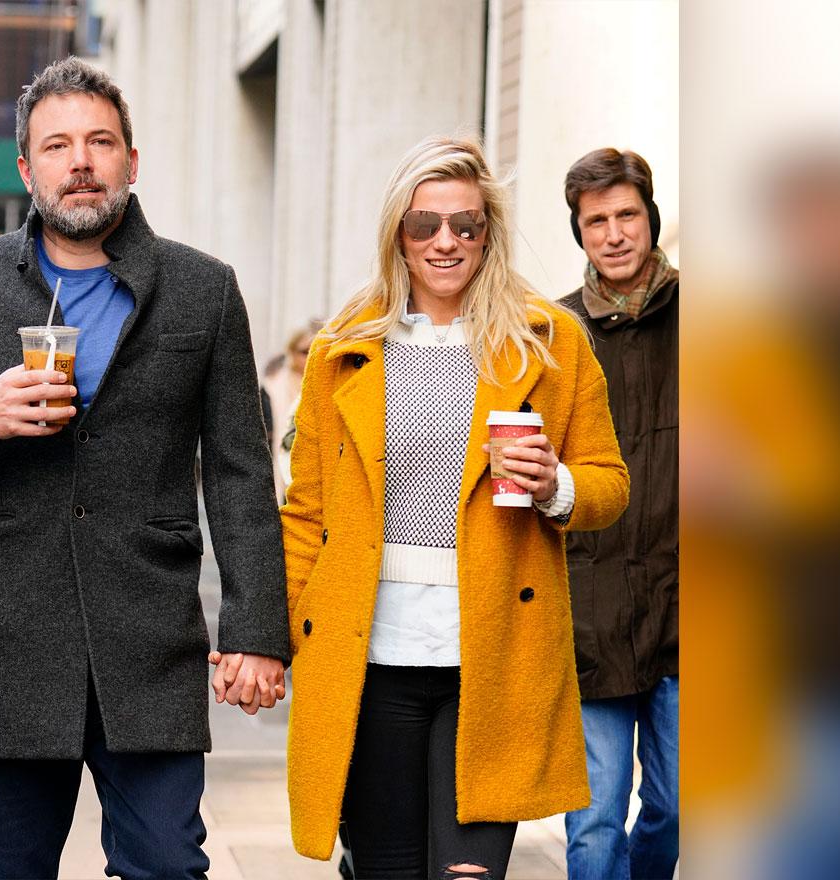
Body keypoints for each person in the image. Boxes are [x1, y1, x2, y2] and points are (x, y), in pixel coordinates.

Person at [0, 56, 289, 880]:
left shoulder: (203, 290)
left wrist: (255, 632)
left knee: (168, 867)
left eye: (100, 141)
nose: (81, 161)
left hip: (150, 635)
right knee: (5, 869)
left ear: (134, 159)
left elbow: (240, 471)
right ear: (27, 169)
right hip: (7, 636)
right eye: (57, 145)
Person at [278, 135, 629, 879]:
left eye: (466, 225)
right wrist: (276, 637)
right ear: (397, 237)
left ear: (488, 235)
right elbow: (304, 514)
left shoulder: (550, 341)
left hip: (494, 654)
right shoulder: (343, 349)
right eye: (424, 225)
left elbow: (608, 482)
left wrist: (554, 486)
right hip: (370, 658)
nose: (446, 242)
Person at [556, 148, 679, 880]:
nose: (613, 233)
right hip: (589, 616)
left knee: (681, 806)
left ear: (650, 218)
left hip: (691, 611)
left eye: (626, 214)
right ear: (580, 233)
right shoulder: (552, 331)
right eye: (595, 220)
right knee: (594, 825)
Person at [262, 323, 319, 499]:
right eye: (304, 351)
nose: (310, 356)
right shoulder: (271, 388)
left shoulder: (328, 386)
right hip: (280, 477)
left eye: (316, 349)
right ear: (291, 351)